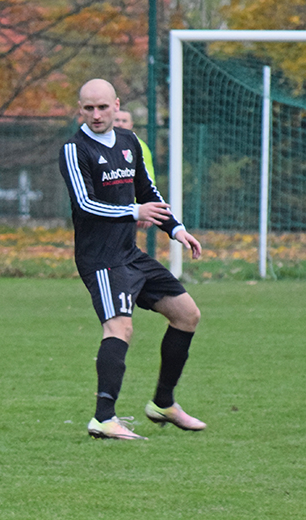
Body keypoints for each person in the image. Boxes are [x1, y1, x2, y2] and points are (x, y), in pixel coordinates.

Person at [58, 79, 206, 440]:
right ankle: (103, 418)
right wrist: (134, 210)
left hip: (129, 254)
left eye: (103, 107)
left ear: (116, 105)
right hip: (101, 259)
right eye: (89, 108)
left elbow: (147, 190)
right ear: (79, 109)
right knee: (120, 328)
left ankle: (163, 403)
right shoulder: (74, 149)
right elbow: (85, 204)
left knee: (187, 315)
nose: (96, 115)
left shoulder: (129, 143)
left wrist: (176, 228)